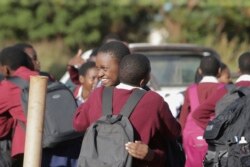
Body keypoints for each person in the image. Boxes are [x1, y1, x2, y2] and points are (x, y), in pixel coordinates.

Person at [73, 53, 181, 167]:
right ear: (143, 80)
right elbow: (175, 132)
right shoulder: (154, 100)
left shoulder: (98, 93)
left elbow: (78, 124)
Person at [179, 55, 223, 167]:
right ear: (219, 71)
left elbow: (183, 119)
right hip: (218, 135)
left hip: (193, 138)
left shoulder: (191, 89)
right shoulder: (224, 89)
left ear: (200, 71)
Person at [193, 51, 250, 129]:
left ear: (239, 70)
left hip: (232, 139)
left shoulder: (225, 91)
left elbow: (198, 114)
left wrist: (217, 131)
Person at [0, 46, 36, 166]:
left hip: (30, 150)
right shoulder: (46, 77)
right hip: (61, 140)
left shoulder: (8, 86)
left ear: (5, 69)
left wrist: (12, 121)